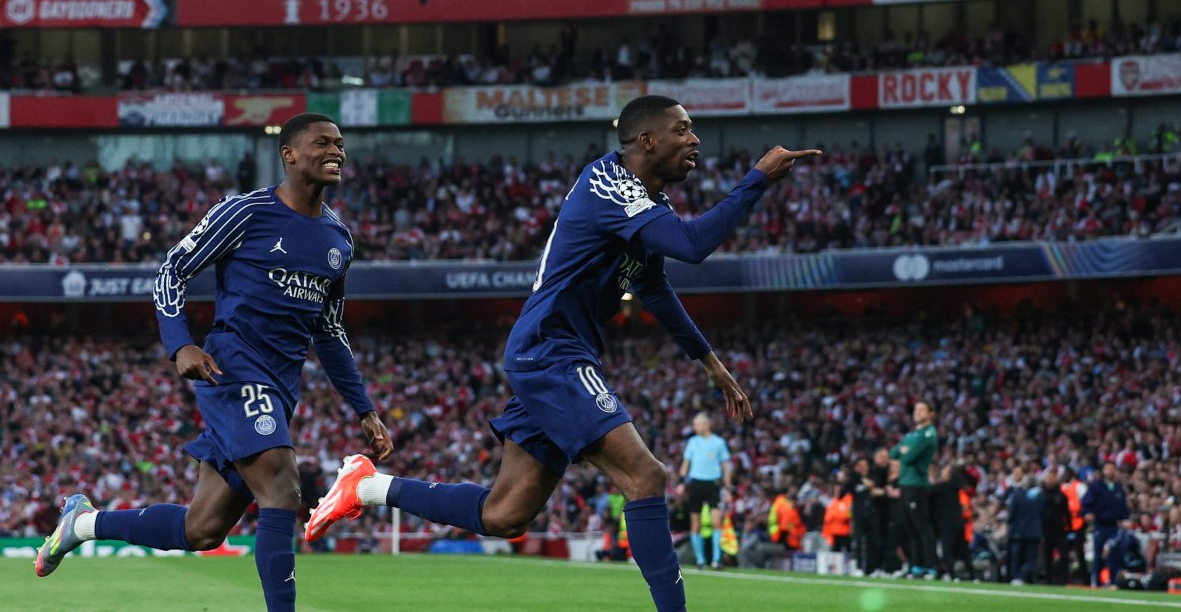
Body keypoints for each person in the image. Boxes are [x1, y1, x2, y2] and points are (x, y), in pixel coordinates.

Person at [302, 95, 820, 610]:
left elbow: (655, 286)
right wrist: (756, 180)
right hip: (553, 352)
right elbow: (692, 245)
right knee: (645, 476)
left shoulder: (645, 205)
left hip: (556, 355)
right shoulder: (609, 183)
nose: (695, 140)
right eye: (683, 130)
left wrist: (711, 364)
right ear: (647, 141)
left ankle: (369, 487)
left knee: (505, 514)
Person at [34, 113, 393, 612]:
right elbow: (171, 271)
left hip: (280, 386)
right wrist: (179, 344)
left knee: (200, 528)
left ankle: (81, 523)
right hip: (232, 368)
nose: (336, 151)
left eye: (340, 144)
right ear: (289, 154)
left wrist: (363, 408)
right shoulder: (245, 213)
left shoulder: (339, 240)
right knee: (283, 487)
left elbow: (329, 331)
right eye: (322, 143)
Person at [890, 401, 938, 578]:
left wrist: (904, 451)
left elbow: (909, 456)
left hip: (917, 484)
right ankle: (916, 565)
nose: (917, 413)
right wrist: (904, 451)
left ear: (930, 413)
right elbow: (893, 453)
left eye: (921, 410)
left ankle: (930, 566)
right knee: (911, 527)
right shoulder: (913, 434)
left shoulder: (928, 434)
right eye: (915, 409)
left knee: (922, 526)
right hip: (906, 484)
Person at [678, 412, 732, 569]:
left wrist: (727, 488)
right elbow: (685, 463)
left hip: (713, 484)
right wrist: (682, 482)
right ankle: (700, 560)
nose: (695, 427)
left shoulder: (718, 443)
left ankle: (716, 559)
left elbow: (726, 466)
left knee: (716, 521)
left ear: (707, 425)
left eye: (698, 424)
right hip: (696, 483)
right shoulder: (693, 442)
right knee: (695, 524)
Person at [1082, 461, 1131, 587]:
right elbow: (1086, 503)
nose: (1110, 471)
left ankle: (1113, 581)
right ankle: (1096, 581)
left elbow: (1123, 508)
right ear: (1103, 471)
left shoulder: (1119, 488)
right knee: (1098, 554)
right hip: (1100, 525)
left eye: (1112, 468)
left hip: (1114, 526)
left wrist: (1125, 519)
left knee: (1114, 553)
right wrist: (1087, 513)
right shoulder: (1096, 486)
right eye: (1107, 468)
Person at [1006, 465, 1044, 584]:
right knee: (1031, 558)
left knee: (1016, 557)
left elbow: (1012, 514)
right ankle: (1021, 577)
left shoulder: (1017, 495)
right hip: (1034, 531)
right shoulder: (1040, 497)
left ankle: (1015, 577)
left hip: (1018, 530)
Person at [846, 456, 882, 574]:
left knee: (873, 542)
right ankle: (858, 567)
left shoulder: (874, 475)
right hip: (858, 514)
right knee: (858, 541)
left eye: (864, 465)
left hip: (872, 514)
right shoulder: (853, 478)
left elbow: (874, 485)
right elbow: (847, 489)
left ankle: (872, 569)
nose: (862, 467)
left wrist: (867, 483)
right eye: (860, 465)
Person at [1040, 467, 1071, 585]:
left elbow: (1066, 513)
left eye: (1053, 477)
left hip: (1059, 529)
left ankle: (1063, 579)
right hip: (1045, 530)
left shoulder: (1061, 496)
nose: (1051, 480)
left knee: (1063, 555)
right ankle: (1047, 580)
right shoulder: (1042, 495)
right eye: (1049, 477)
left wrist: (1068, 527)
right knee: (1046, 556)